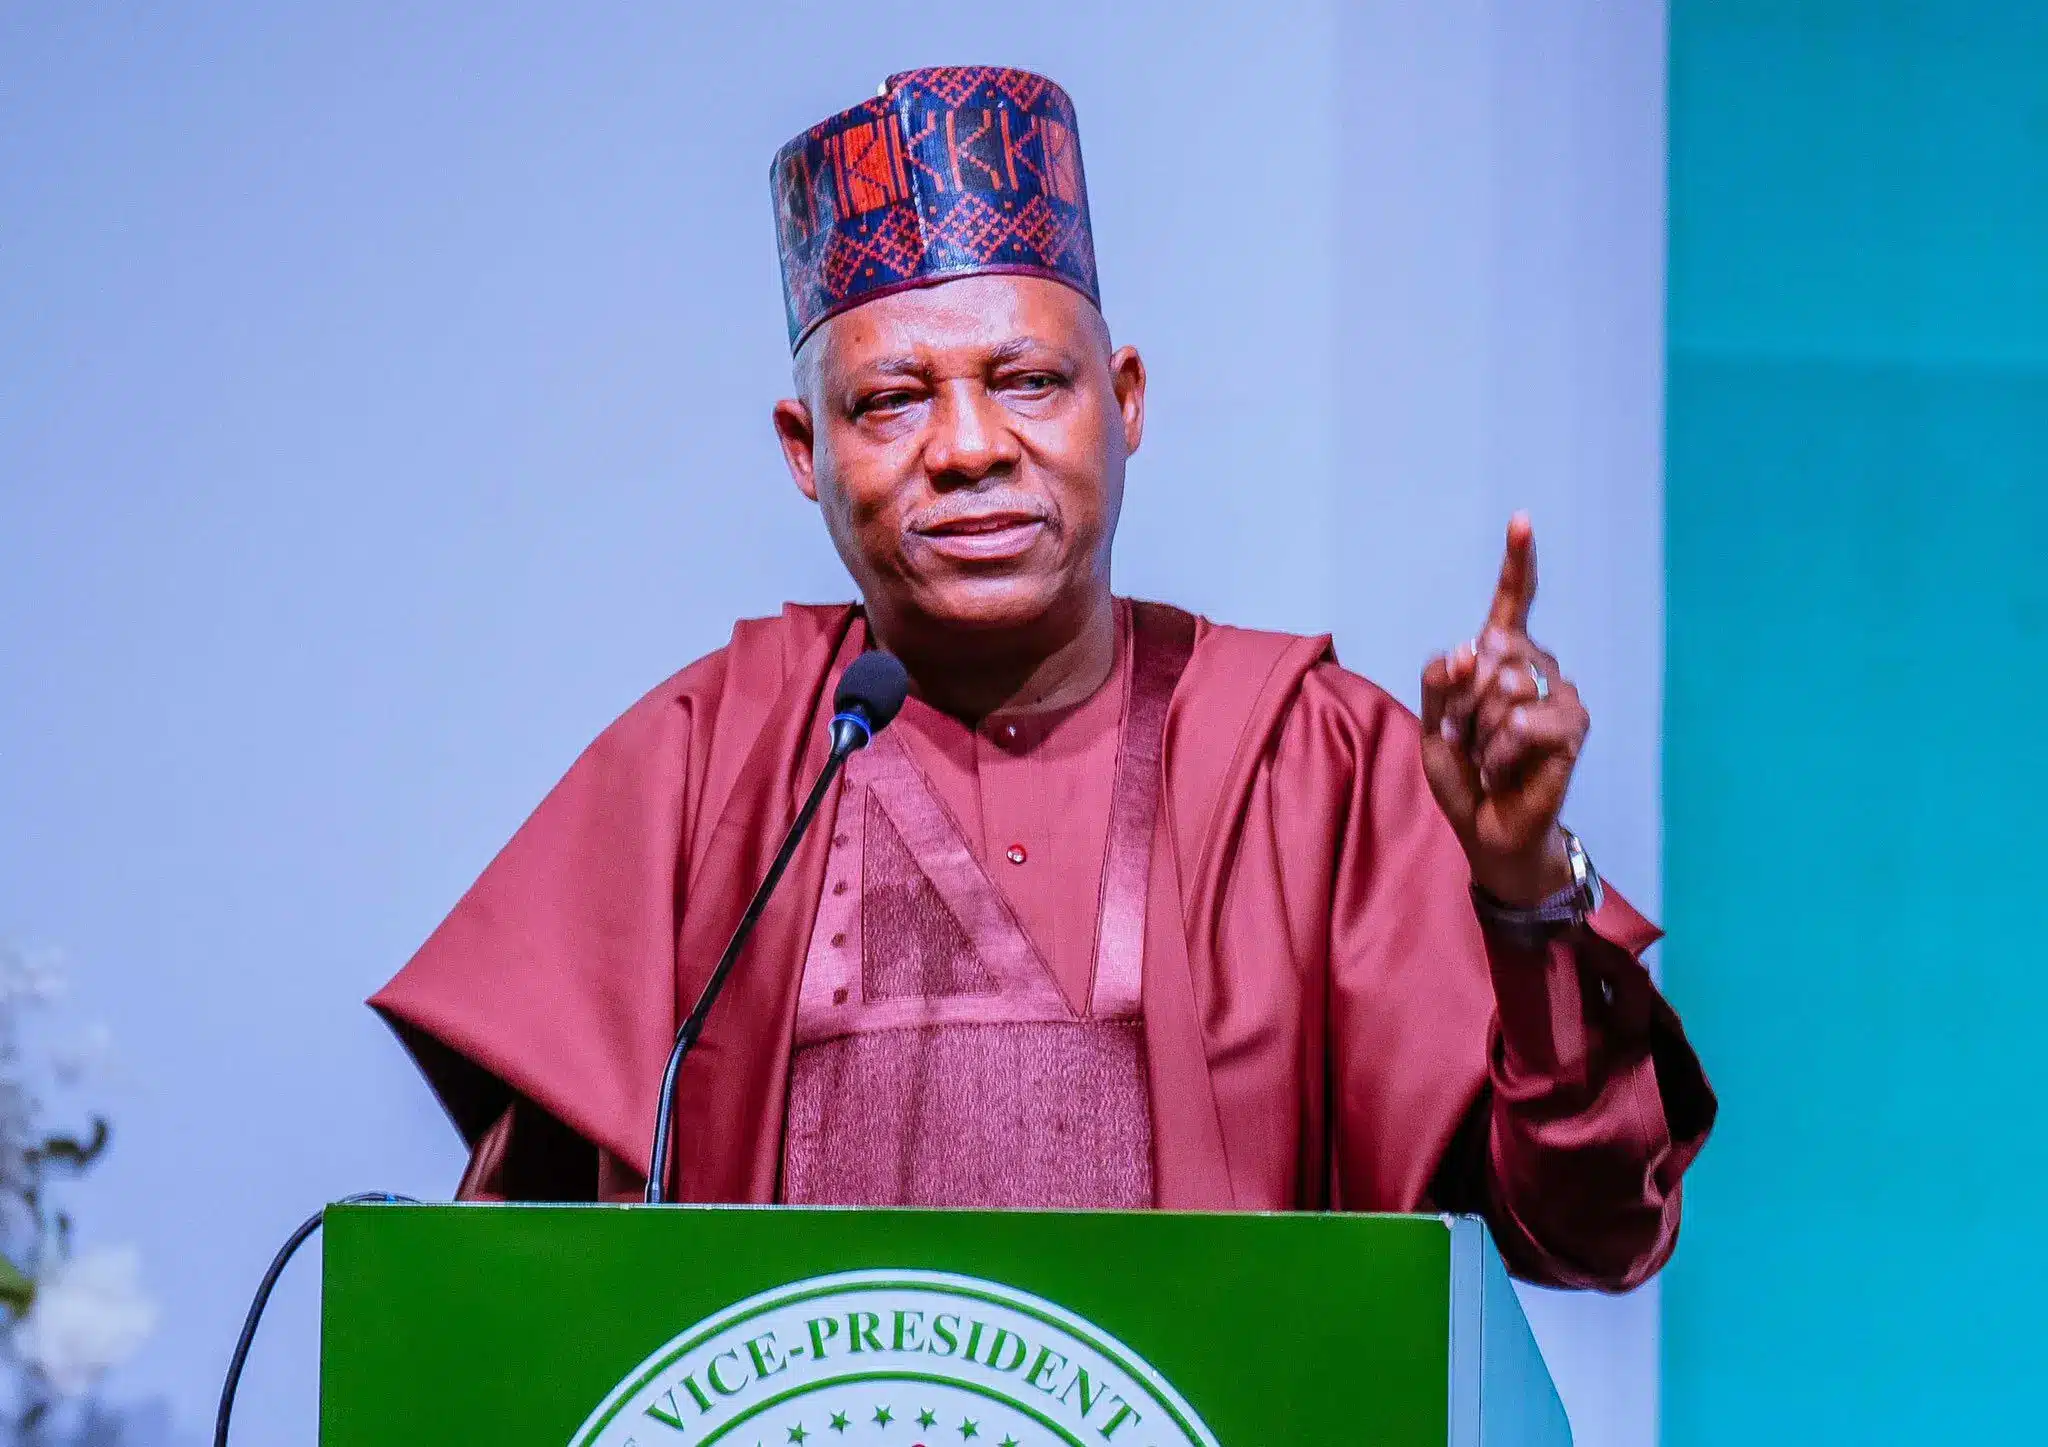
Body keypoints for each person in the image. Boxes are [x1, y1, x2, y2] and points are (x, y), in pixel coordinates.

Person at [372, 66, 1713, 1291]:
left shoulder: (1314, 763)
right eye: (891, 400)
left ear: (1124, 401)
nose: (967, 447)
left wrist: (1524, 901)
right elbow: (517, 1299)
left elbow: (1589, 1232)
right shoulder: (706, 765)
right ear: (803, 448)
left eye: (1026, 381)